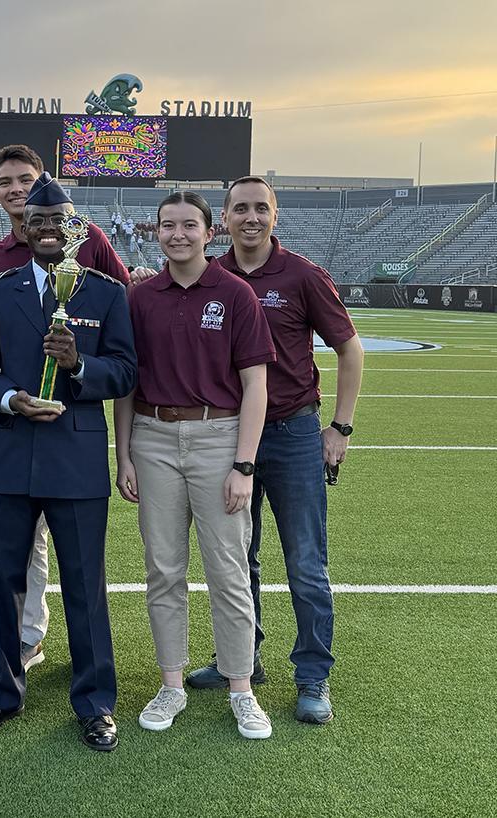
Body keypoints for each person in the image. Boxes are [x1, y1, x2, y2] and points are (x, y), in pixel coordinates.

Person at [0, 173, 137, 752]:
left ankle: (94, 703)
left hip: (76, 458)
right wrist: (10, 400)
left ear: (76, 227)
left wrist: (80, 367)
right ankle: (2, 694)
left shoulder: (107, 293)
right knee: (2, 579)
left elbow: (126, 371)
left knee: (85, 584)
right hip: (13, 454)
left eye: (58, 220)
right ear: (22, 227)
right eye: (36, 221)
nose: (47, 230)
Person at [186, 176, 364, 724]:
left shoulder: (303, 276)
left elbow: (350, 350)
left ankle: (313, 675)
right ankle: (243, 657)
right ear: (224, 217)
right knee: (237, 558)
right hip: (229, 435)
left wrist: (339, 428)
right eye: (241, 209)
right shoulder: (211, 274)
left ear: (275, 215)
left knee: (306, 563)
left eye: (261, 208)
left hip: (291, 434)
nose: (251, 218)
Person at [115, 191, 276, 740]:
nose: (177, 234)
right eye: (167, 225)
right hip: (153, 438)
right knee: (163, 569)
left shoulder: (234, 294)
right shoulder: (140, 298)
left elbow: (256, 383)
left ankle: (241, 688)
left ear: (211, 233)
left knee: (228, 570)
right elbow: (127, 386)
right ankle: (172, 683)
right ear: (155, 233)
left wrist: (244, 463)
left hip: (218, 437)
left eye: (189, 225)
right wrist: (124, 454)